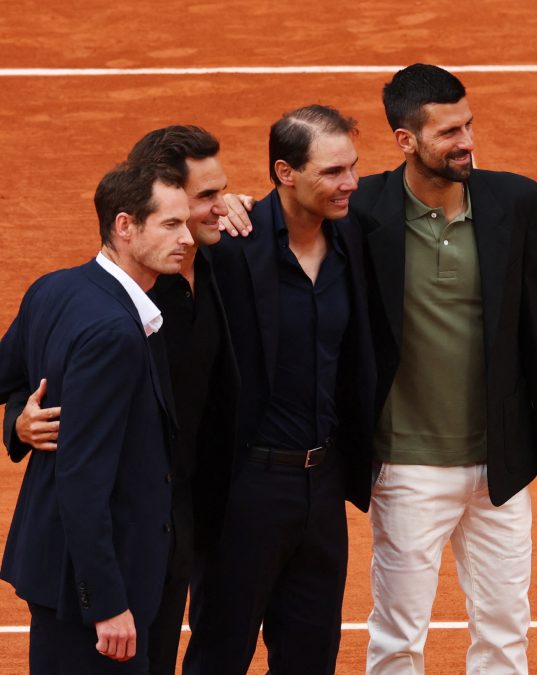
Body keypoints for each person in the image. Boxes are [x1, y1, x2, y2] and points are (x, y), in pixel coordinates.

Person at [351, 64, 537, 674]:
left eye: (469, 124)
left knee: (505, 634)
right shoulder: (362, 209)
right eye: (449, 131)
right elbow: (286, 220)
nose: (467, 141)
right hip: (405, 466)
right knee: (398, 637)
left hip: (498, 464)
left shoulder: (515, 199)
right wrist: (237, 208)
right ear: (406, 140)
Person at [5, 126, 241, 675]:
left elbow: (8, 373)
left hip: (92, 562)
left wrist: (19, 415)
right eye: (172, 224)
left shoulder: (56, 287)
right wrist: (107, 603)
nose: (188, 236)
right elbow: (84, 481)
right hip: (98, 579)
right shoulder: (115, 332)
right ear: (125, 225)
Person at [181, 105, 375, 675]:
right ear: (285, 173)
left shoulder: (354, 239)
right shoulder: (230, 246)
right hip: (245, 490)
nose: (351, 183)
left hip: (323, 488)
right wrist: (226, 205)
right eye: (333, 172)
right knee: (221, 655)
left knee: (311, 659)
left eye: (353, 168)